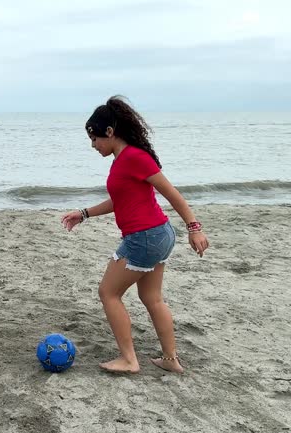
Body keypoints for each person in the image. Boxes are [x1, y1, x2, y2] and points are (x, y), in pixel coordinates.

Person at [61, 96, 209, 374]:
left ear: (109, 131)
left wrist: (194, 227)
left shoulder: (134, 158)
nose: (93, 145)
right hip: (157, 234)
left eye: (94, 138)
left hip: (145, 236)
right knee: (152, 298)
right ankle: (170, 360)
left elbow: (171, 192)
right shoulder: (123, 160)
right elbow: (121, 200)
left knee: (108, 292)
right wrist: (83, 213)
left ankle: (129, 359)